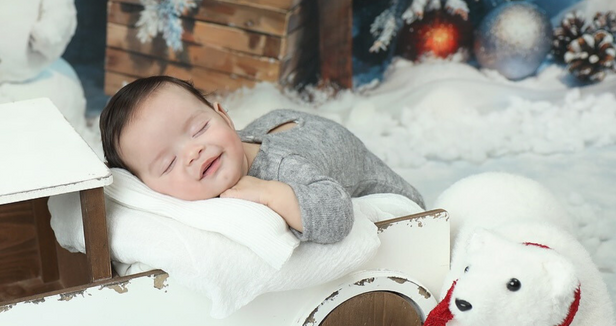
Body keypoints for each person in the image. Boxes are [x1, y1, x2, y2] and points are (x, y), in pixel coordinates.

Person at [99, 75, 425, 244]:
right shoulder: (214, 153)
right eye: (168, 163)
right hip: (278, 128)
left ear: (224, 116)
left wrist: (270, 193)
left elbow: (337, 214)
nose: (193, 152)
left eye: (199, 129)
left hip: (395, 200)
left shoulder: (282, 168)